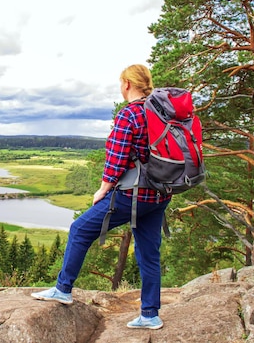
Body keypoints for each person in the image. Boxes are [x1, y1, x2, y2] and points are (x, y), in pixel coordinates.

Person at [31, 64, 172, 330]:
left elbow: (117, 159)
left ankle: (63, 288)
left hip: (133, 195)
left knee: (80, 229)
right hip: (159, 195)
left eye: (121, 83)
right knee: (149, 254)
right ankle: (150, 314)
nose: (121, 87)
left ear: (127, 84)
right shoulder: (162, 113)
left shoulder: (129, 114)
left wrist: (103, 189)